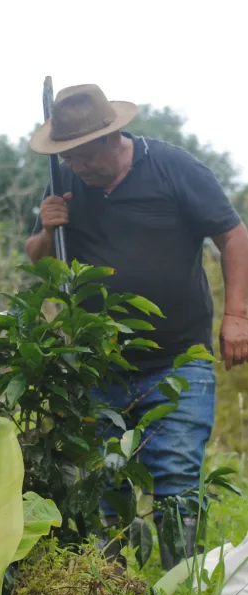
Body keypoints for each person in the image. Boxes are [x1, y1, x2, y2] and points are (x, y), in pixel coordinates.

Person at [26, 84, 248, 569]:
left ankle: (181, 594)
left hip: (179, 362)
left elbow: (233, 235)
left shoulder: (173, 167)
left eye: (85, 156)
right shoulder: (62, 180)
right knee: (103, 486)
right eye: (70, 156)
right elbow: (38, 260)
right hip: (98, 364)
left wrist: (238, 315)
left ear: (113, 137)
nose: (79, 167)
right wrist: (46, 230)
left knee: (176, 480)